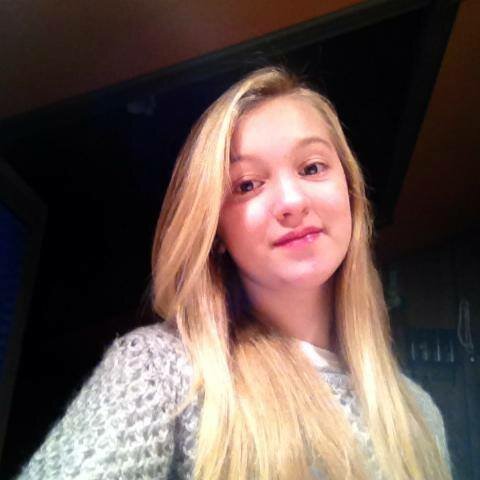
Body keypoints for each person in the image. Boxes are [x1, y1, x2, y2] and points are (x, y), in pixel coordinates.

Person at [15, 66, 452, 480]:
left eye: (312, 167)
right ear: (216, 229)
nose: (292, 201)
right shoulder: (161, 371)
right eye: (246, 185)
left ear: (350, 191)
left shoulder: (421, 414)